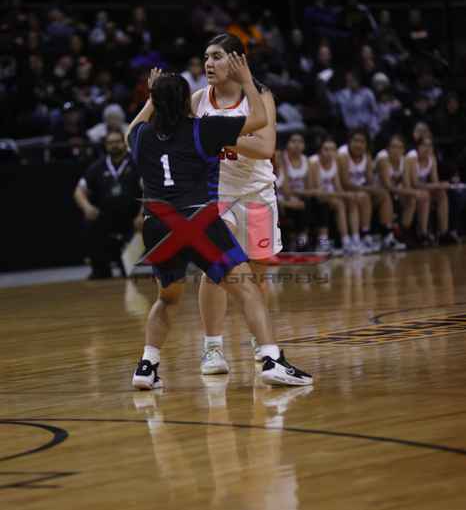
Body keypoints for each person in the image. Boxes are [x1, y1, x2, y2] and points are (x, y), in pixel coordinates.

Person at [126, 58, 312, 389]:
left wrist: (151, 99)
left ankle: (146, 366)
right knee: (247, 288)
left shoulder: (142, 136)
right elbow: (259, 120)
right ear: (186, 102)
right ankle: (272, 360)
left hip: (158, 226)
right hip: (197, 221)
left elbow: (131, 129)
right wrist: (248, 82)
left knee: (166, 299)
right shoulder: (203, 128)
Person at [191, 34, 282, 374]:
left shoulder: (260, 96)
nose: (208, 63)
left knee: (255, 275)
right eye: (206, 57)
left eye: (216, 56)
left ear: (236, 61)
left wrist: (220, 135)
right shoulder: (199, 99)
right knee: (214, 269)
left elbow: (266, 148)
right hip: (217, 194)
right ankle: (212, 348)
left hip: (257, 193)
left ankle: (260, 340)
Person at [74, 129, 143, 278]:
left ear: (125, 143)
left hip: (132, 218)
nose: (114, 145)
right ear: (105, 146)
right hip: (106, 217)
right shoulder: (97, 167)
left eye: (117, 142)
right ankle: (100, 267)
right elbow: (79, 191)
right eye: (110, 143)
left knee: (127, 271)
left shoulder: (136, 163)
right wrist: (87, 207)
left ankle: (128, 264)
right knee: (89, 223)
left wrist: (141, 214)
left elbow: (150, 191)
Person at [338, 129, 406, 252]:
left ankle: (387, 235)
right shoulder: (343, 155)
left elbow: (370, 180)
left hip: (360, 190)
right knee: (365, 195)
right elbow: (344, 183)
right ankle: (364, 236)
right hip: (344, 192)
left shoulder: (367, 156)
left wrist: (374, 188)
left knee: (383, 194)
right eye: (356, 141)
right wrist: (368, 189)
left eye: (362, 142)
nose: (359, 144)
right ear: (349, 142)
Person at [374, 135, 430, 246]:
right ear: (388, 149)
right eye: (393, 147)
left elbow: (406, 184)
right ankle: (387, 234)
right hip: (378, 193)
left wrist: (413, 192)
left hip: (394, 192)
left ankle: (403, 233)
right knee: (388, 195)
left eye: (399, 147)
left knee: (413, 198)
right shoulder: (383, 159)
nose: (396, 150)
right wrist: (412, 192)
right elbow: (388, 186)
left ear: (403, 150)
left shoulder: (404, 161)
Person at [309, 137, 361, 255]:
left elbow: (338, 187)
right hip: (314, 197)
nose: (329, 153)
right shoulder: (314, 163)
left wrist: (347, 195)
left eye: (332, 150)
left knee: (351, 200)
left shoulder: (334, 163)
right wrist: (345, 195)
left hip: (331, 196)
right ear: (320, 151)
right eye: (326, 149)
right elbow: (319, 190)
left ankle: (356, 239)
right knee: (339, 203)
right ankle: (344, 241)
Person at [406, 135, 457, 246]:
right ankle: (423, 233)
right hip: (408, 188)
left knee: (441, 194)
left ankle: (443, 232)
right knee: (425, 195)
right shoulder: (412, 158)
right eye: (424, 145)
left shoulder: (432, 159)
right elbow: (414, 183)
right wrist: (437, 185)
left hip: (423, 188)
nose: (427, 148)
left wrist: (441, 185)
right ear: (418, 147)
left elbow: (435, 181)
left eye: (430, 146)